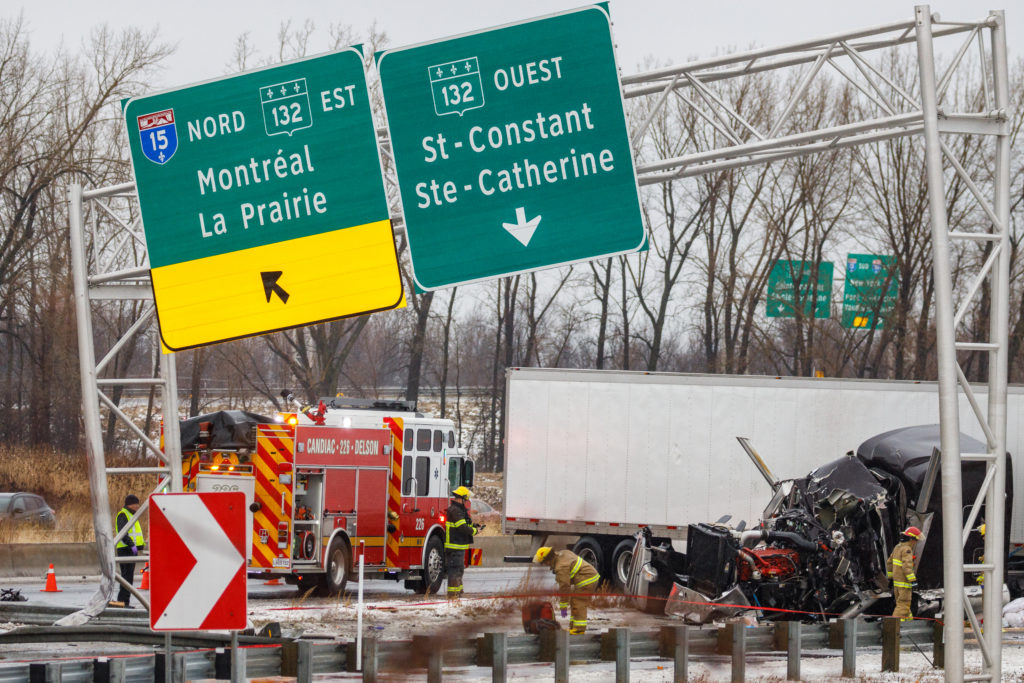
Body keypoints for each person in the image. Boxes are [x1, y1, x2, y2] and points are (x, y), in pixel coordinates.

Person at [533, 546, 601, 634]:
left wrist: (563, 606)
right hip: (588, 577)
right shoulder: (562, 553)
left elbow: (565, 587)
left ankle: (579, 630)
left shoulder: (561, 567)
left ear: (548, 560)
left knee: (579, 603)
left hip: (587, 579)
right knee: (574, 601)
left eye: (544, 563)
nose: (545, 565)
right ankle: (573, 627)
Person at [444, 486, 478, 600]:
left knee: (459, 570)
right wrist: (474, 531)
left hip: (458, 546)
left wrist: (473, 526)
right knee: (455, 571)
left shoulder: (458, 510)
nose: (466, 502)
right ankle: (453, 595)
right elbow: (462, 527)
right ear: (462, 498)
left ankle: (458, 593)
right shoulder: (456, 510)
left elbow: (464, 524)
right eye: (466, 500)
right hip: (455, 546)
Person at [112, 494, 145, 608]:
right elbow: (123, 533)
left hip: (130, 549)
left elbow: (135, 533)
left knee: (128, 577)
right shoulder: (124, 514)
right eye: (136, 504)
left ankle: (124, 601)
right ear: (130, 504)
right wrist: (131, 545)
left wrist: (139, 546)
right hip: (125, 549)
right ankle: (123, 602)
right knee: (126, 577)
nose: (137, 506)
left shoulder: (131, 515)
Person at [886, 525, 921, 620]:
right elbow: (907, 567)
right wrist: (913, 581)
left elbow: (889, 563)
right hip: (904, 584)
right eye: (915, 540)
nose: (915, 543)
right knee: (903, 606)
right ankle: (894, 626)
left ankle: (910, 625)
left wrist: (890, 579)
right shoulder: (907, 550)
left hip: (897, 584)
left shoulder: (897, 547)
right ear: (911, 539)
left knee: (904, 606)